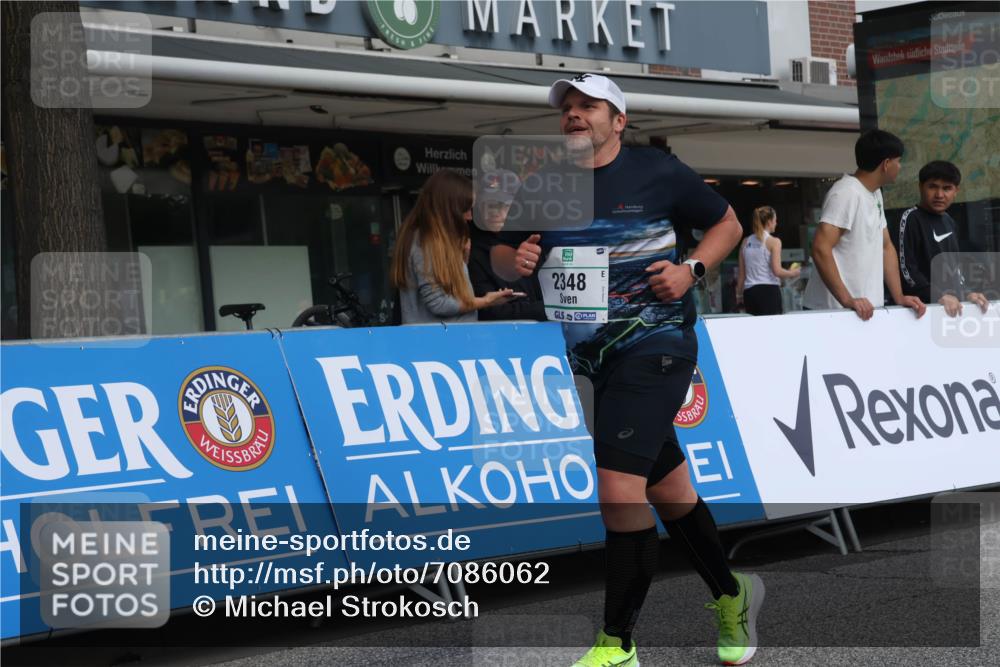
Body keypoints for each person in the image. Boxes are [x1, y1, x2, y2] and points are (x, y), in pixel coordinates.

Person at [491, 73, 760, 667]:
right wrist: (519, 257)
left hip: (658, 343)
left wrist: (691, 268)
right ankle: (731, 594)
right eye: (567, 108)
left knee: (617, 486)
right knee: (669, 489)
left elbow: (728, 224)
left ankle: (617, 643)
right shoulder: (545, 183)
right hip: (589, 360)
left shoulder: (657, 171)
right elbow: (501, 256)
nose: (574, 115)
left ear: (618, 120)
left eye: (589, 106)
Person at [803, 129, 926, 321]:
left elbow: (886, 247)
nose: (900, 166)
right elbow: (820, 248)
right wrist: (848, 300)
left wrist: (899, 296)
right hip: (833, 312)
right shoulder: (846, 193)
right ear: (886, 164)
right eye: (898, 160)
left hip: (863, 310)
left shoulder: (874, 193)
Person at [391, 169, 515, 324]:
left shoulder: (435, 239)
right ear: (449, 209)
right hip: (437, 342)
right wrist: (486, 301)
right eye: (466, 209)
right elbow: (439, 304)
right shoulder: (425, 241)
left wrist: (462, 260)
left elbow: (451, 291)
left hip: (449, 340)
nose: (470, 217)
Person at [896, 160, 991, 316]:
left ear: (956, 191)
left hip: (950, 309)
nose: (939, 195)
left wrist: (967, 293)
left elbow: (955, 268)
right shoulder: (910, 219)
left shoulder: (949, 221)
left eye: (947, 188)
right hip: (918, 313)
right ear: (921, 187)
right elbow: (906, 269)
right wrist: (938, 295)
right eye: (933, 187)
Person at [468, 170, 546, 321]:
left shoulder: (537, 241)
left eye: (504, 205)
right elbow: (490, 312)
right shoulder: (472, 250)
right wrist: (548, 309)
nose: (494, 212)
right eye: (489, 205)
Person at [736, 206, 801, 315]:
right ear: (769, 222)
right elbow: (777, 271)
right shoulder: (774, 242)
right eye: (775, 220)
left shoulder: (745, 242)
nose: (776, 223)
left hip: (749, 292)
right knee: (772, 329)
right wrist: (794, 272)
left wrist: (739, 295)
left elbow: (742, 275)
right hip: (769, 291)